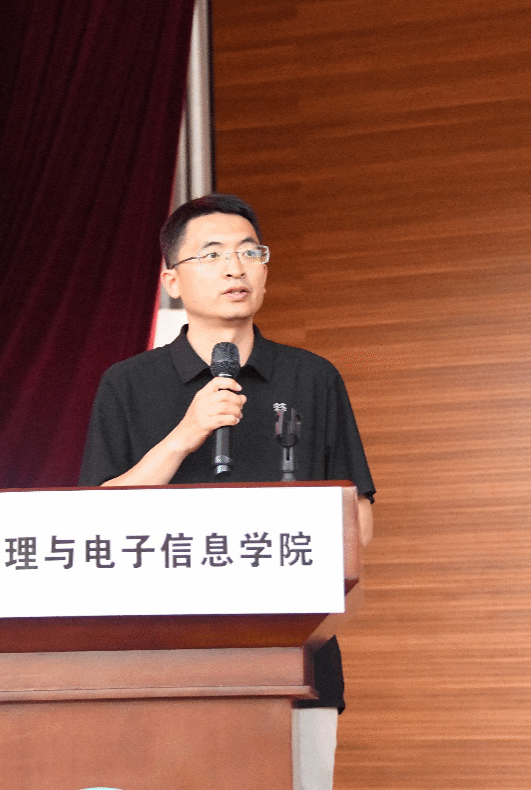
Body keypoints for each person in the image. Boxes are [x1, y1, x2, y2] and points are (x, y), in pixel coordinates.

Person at [78, 192, 375, 790]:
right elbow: (96, 521)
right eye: (211, 254)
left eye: (249, 252)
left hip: (294, 662)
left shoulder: (313, 377)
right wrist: (184, 436)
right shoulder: (128, 385)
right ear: (172, 280)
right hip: (158, 661)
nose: (235, 267)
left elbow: (357, 517)